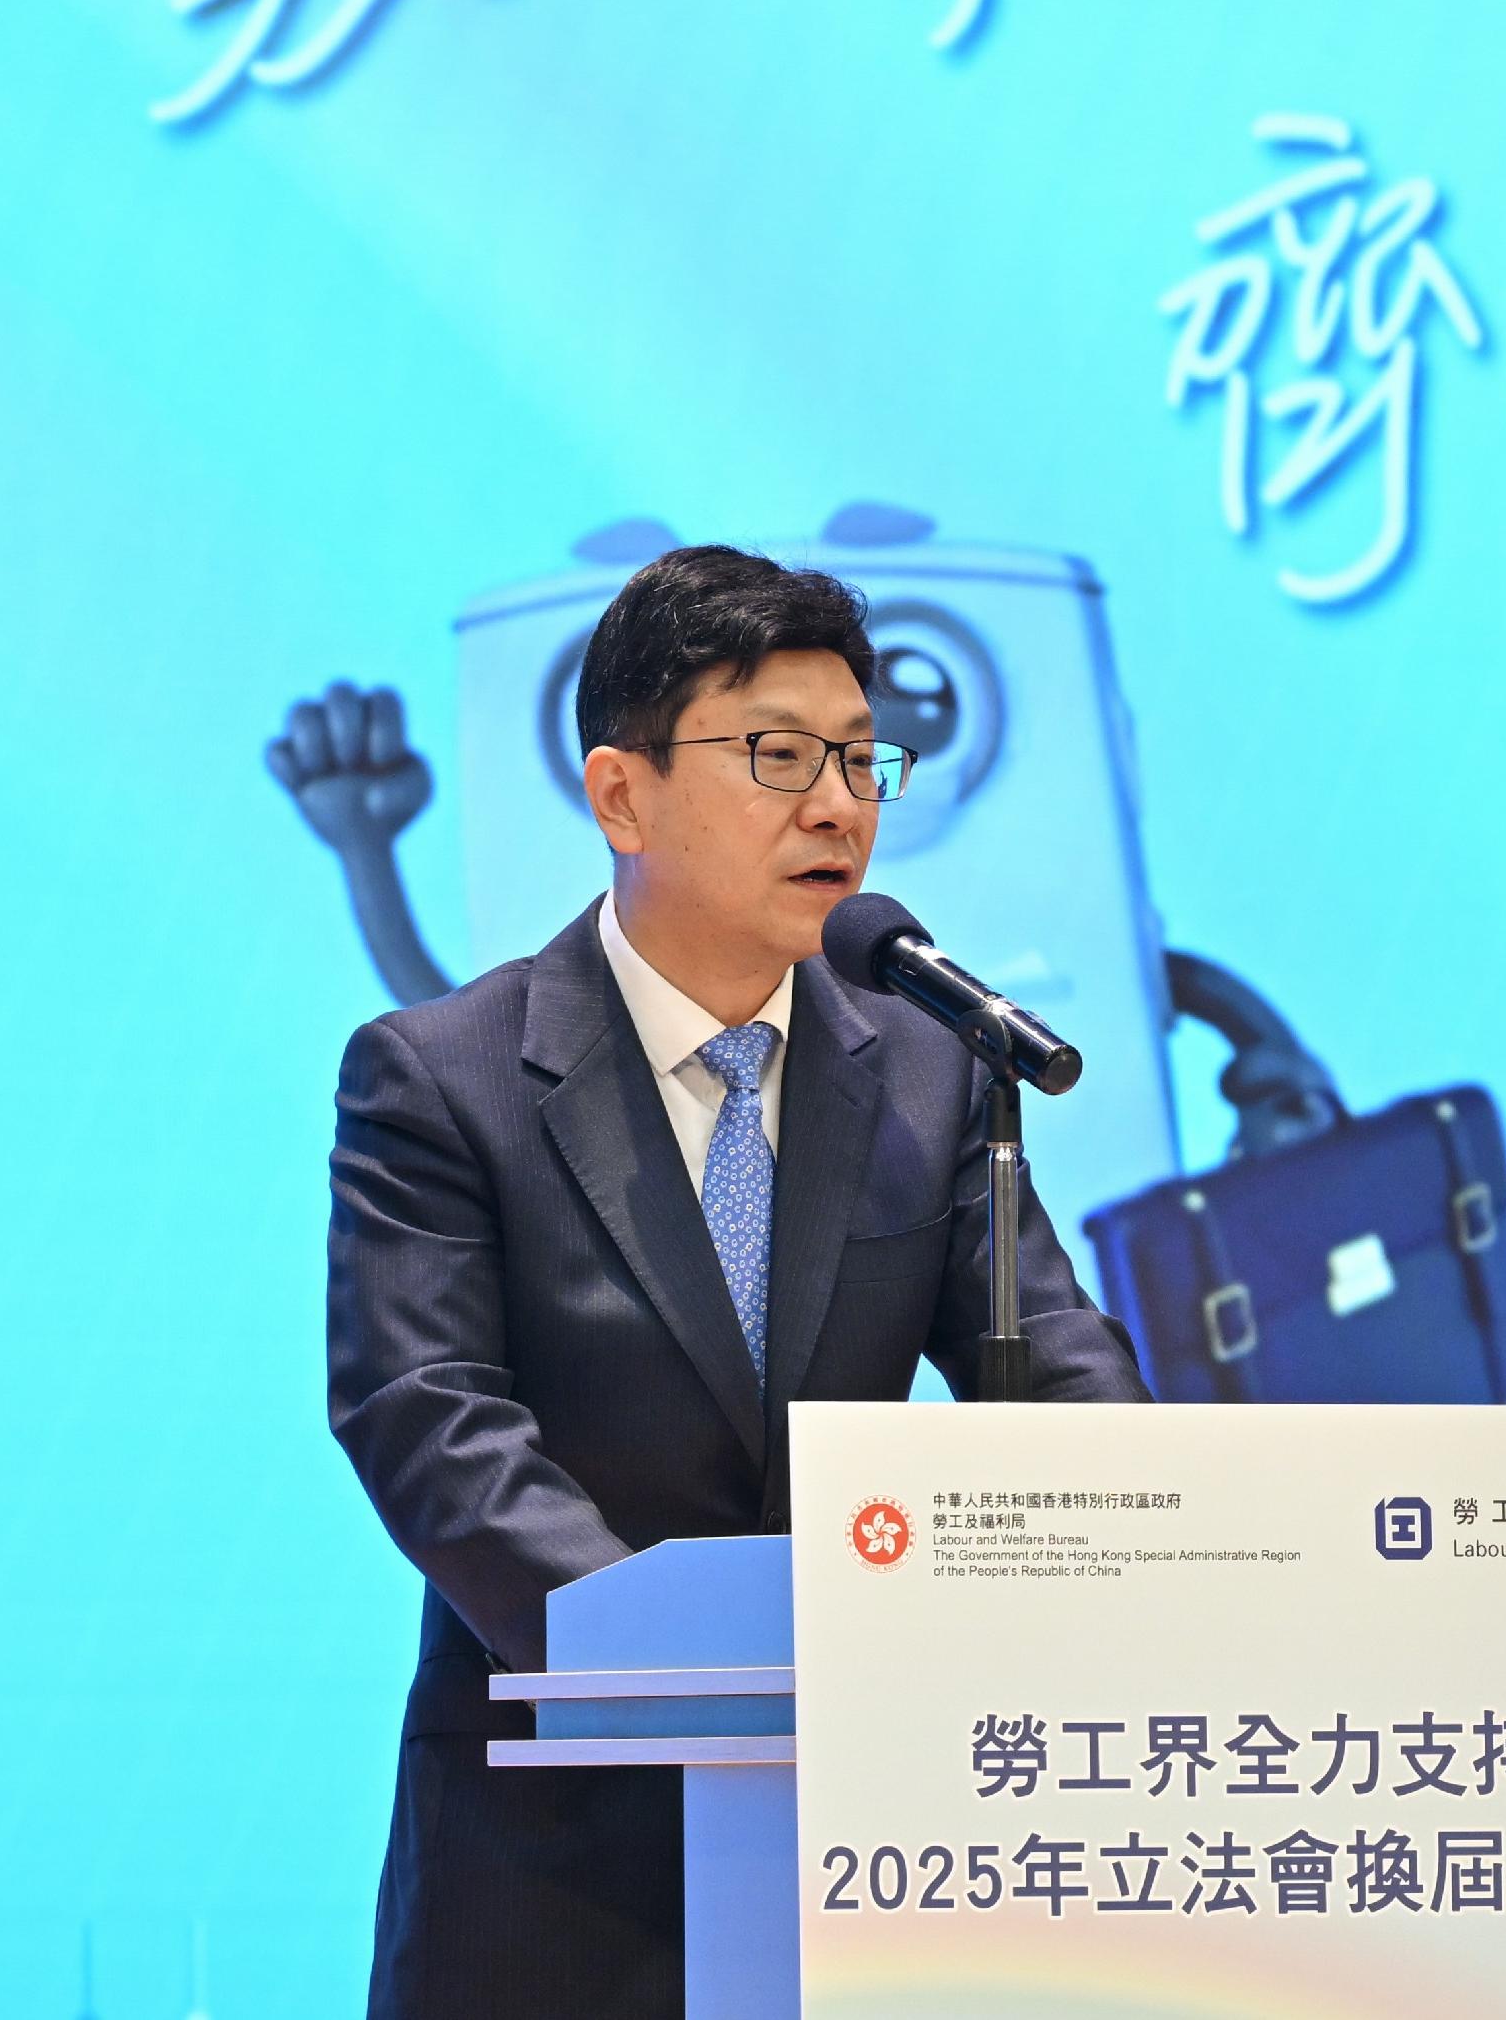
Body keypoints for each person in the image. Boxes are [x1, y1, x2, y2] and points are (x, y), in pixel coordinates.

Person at [324, 544, 1150, 2020]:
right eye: (778, 755)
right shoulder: (443, 1081)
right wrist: (695, 1668)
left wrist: (1185, 1543)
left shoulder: (927, 1068)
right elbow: (431, 1423)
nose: (840, 803)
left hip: (882, 1877)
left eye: (860, 757)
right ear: (620, 791)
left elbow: (1054, 1359)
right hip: (556, 1882)